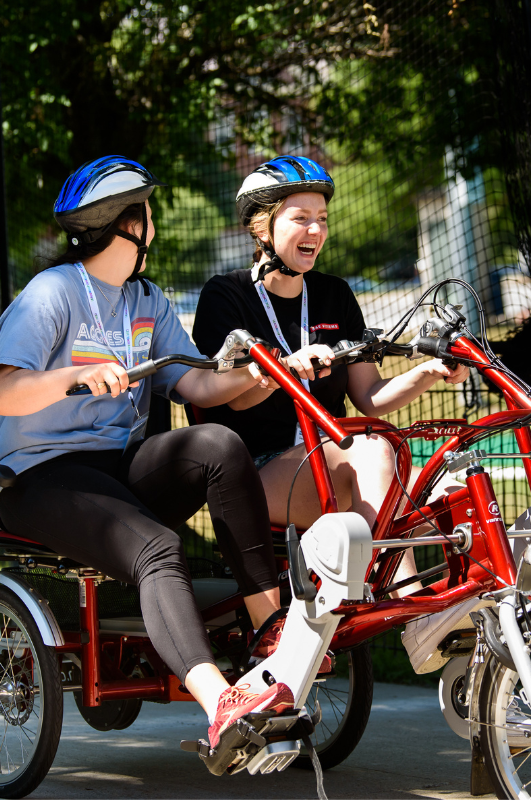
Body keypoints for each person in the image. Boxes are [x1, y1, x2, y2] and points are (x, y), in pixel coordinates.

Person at [0, 156, 295, 750]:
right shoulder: (51, 293)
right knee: (158, 547)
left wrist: (265, 374)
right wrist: (74, 378)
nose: (153, 228)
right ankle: (222, 703)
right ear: (125, 225)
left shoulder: (146, 300)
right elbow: (3, 393)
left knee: (217, 443)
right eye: (147, 216)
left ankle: (271, 637)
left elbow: (198, 385)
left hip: (116, 468)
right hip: (39, 478)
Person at [192, 155, 470, 673]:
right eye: (300, 217)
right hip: (256, 471)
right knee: (374, 447)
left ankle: (423, 605)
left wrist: (428, 371)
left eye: (321, 218)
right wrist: (286, 371)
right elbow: (227, 398)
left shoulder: (335, 295)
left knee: (405, 457)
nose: (315, 229)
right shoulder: (225, 296)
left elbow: (371, 397)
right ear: (263, 225)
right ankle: (402, 602)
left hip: (333, 459)